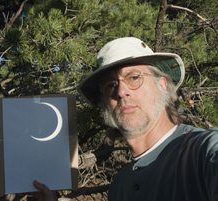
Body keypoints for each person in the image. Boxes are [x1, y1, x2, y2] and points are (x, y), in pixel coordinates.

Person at [33, 37, 218, 201]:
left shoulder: (201, 150)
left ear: (162, 84)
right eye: (111, 85)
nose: (121, 92)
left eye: (134, 77)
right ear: (103, 101)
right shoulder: (120, 185)